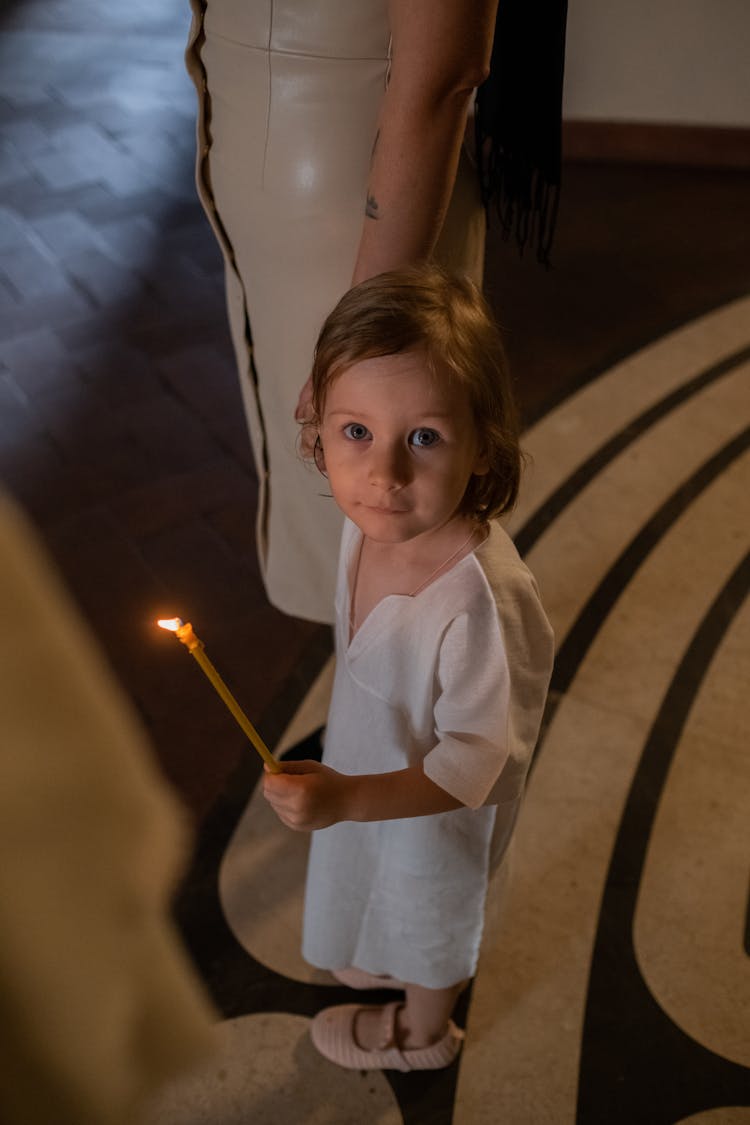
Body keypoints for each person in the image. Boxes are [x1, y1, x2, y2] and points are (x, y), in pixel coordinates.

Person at [185, 0, 567, 623]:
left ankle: (422, 691)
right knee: (335, 496)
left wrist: (365, 333)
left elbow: (442, 67)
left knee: (393, 491)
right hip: (270, 174)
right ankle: (372, 682)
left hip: (354, 211)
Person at [263, 265, 554, 1071]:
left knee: (434, 913)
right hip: (367, 767)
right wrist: (350, 795)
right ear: (317, 424)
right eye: (356, 432)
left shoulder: (484, 602)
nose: (384, 474)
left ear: (483, 443)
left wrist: (352, 796)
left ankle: (422, 1033)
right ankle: (374, 944)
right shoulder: (370, 525)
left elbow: (478, 762)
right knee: (370, 870)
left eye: (423, 436)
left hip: (436, 813)